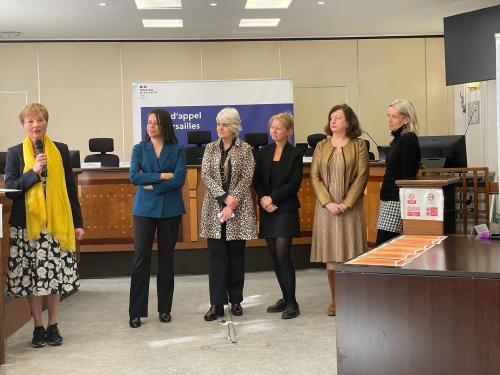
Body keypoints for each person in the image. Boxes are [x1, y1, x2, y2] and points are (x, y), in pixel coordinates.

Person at [4, 103, 84, 348]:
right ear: (23, 125)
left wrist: (78, 223)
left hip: (57, 225)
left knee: (53, 277)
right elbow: (11, 190)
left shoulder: (60, 150)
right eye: (30, 121)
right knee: (33, 278)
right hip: (28, 226)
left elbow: (70, 190)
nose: (36, 125)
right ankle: (37, 326)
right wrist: (34, 171)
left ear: (46, 122)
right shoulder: (15, 152)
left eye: (39, 120)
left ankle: (53, 324)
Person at [128, 108, 186, 328]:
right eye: (149, 122)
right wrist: (162, 176)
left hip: (170, 210)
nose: (150, 126)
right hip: (143, 209)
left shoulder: (177, 149)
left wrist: (152, 184)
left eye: (155, 123)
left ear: (165, 126)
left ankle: (164, 309)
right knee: (141, 259)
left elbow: (179, 179)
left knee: (166, 261)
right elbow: (134, 176)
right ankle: (136, 312)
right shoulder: (139, 149)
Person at [310, 103, 369, 316]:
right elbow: (314, 176)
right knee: (331, 256)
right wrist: (328, 202)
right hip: (326, 209)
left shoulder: (359, 145)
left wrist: (345, 203)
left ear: (348, 121)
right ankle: (335, 300)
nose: (332, 121)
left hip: (350, 208)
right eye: (330, 117)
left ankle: (353, 298)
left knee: (351, 253)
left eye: (337, 118)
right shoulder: (321, 146)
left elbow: (362, 176)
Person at [199, 107, 257, 321]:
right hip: (214, 210)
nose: (219, 128)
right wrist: (224, 198)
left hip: (238, 211)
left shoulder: (246, 149)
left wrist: (232, 203)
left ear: (234, 127)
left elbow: (246, 177)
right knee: (216, 259)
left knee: (236, 258)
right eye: (218, 124)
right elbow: (205, 175)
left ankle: (236, 301)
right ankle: (216, 304)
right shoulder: (210, 148)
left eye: (224, 124)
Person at [254, 113, 303, 319]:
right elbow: (257, 180)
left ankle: (292, 303)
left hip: (286, 209)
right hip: (268, 210)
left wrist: (272, 198)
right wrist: (263, 199)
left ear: (288, 131)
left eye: (279, 128)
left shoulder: (295, 153)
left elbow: (294, 184)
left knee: (283, 254)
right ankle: (285, 298)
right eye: (272, 127)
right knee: (274, 256)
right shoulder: (264, 152)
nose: (274, 131)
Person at [376, 99, 421, 245]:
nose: (389, 120)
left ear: (406, 118)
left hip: (396, 200)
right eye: (388, 116)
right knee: (386, 245)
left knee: (383, 246)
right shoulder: (398, 139)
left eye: (394, 117)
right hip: (389, 198)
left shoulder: (408, 139)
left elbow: (408, 175)